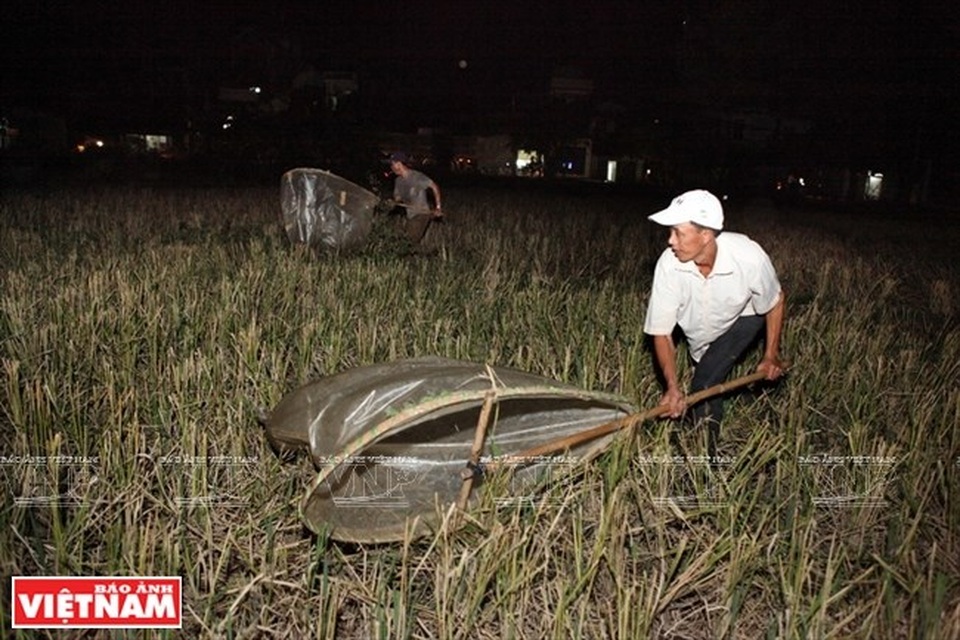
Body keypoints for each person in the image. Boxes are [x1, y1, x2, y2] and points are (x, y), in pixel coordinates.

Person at [643, 189, 786, 452]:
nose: (670, 241)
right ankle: (717, 412)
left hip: (744, 318)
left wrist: (770, 354)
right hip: (703, 334)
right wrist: (672, 387)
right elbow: (661, 332)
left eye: (678, 233)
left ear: (706, 235)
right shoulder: (668, 265)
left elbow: (775, 300)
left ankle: (704, 465)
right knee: (709, 372)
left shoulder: (749, 257)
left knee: (705, 381)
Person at [388, 151, 443, 249]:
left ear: (399, 164)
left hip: (422, 214)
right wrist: (393, 202)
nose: (391, 167)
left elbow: (434, 186)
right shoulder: (398, 181)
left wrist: (438, 207)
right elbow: (398, 198)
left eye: (392, 164)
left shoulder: (416, 177)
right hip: (411, 215)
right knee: (408, 243)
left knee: (408, 242)